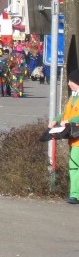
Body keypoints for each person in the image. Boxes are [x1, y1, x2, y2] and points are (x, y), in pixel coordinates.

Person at [49, 70, 79, 204]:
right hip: (74, 138)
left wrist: (69, 120)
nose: (68, 83)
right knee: (73, 166)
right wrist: (56, 120)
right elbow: (65, 113)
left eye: (71, 81)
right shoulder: (73, 97)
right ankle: (74, 194)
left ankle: (75, 194)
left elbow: (72, 116)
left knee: (75, 165)